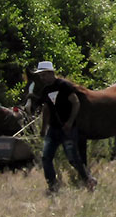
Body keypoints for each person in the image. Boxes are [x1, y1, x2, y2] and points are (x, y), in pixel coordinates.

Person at [33, 60, 95, 193]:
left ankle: (88, 180)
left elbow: (76, 103)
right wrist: (44, 128)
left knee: (73, 159)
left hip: (68, 130)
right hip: (53, 129)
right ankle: (53, 185)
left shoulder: (64, 86)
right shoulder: (46, 90)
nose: (42, 78)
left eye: (43, 75)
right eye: (40, 75)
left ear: (50, 73)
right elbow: (46, 109)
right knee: (46, 158)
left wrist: (70, 122)